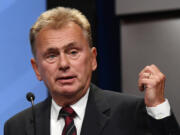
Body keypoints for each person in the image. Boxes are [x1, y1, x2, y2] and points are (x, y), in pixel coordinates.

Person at [4, 6, 180, 135]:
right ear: (36, 69)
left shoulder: (130, 113)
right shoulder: (18, 126)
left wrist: (157, 106)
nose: (63, 64)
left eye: (73, 52)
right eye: (51, 55)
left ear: (93, 59)